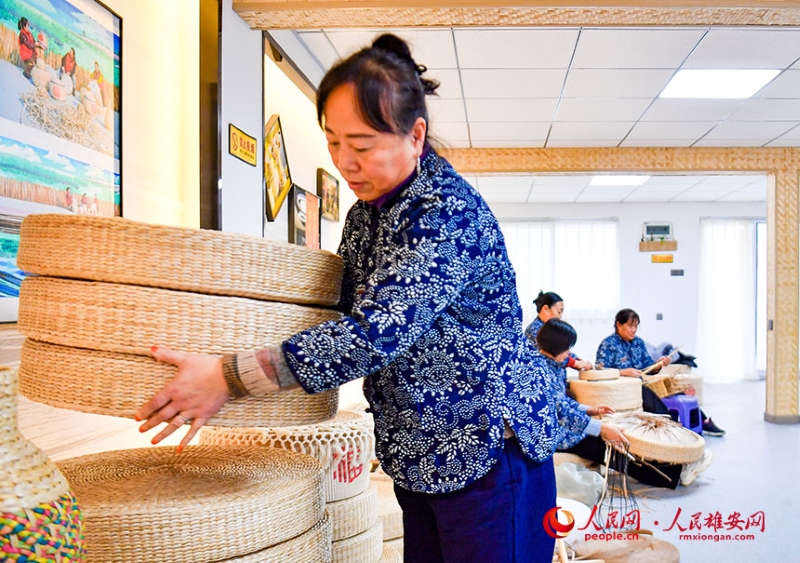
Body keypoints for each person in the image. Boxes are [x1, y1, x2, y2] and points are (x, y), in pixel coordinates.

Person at [135, 34, 562, 563]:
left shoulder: (444, 211)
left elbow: (376, 330)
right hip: (419, 450)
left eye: (362, 146)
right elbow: (335, 308)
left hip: (488, 449)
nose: (344, 162)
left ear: (416, 135)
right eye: (333, 142)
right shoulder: (366, 216)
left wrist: (229, 376)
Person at [541, 318, 713, 489]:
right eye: (567, 348)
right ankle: (675, 474)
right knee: (614, 451)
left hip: (567, 426)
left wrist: (590, 409)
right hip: (558, 434)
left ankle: (676, 461)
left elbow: (561, 402)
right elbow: (560, 411)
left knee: (623, 437)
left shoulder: (555, 364)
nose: (569, 353)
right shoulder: (542, 371)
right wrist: (600, 427)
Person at [596, 308, 726, 436]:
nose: (634, 330)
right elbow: (599, 369)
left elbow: (649, 368)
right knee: (645, 392)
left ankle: (702, 420)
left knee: (673, 390)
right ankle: (671, 424)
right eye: (630, 326)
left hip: (640, 385)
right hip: (624, 389)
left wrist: (658, 364)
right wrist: (623, 372)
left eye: (636, 326)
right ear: (619, 324)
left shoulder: (638, 343)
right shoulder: (608, 344)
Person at [525, 290, 593, 371]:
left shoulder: (549, 329)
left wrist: (580, 361)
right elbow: (555, 354)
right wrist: (576, 363)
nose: (560, 316)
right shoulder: (535, 329)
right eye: (559, 312)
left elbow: (562, 351)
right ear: (546, 309)